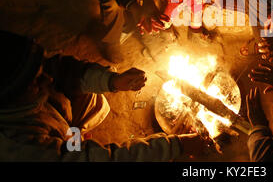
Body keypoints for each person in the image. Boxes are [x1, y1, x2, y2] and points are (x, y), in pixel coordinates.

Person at [0, 30, 209, 161]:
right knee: (78, 151)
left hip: (54, 117)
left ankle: (73, 137)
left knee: (92, 98)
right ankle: (72, 143)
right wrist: (175, 145)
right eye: (36, 82)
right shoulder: (17, 147)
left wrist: (112, 81)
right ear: (11, 98)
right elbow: (106, 159)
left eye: (41, 70)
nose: (47, 79)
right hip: (49, 139)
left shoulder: (21, 67)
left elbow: (62, 69)